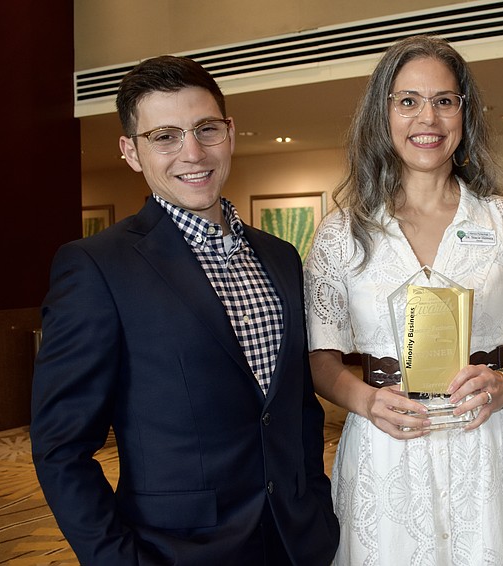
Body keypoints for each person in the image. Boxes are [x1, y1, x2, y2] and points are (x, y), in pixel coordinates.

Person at [30, 55, 339, 566]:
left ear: (230, 133)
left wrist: (316, 510)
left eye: (205, 129)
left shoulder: (280, 257)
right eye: (165, 137)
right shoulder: (97, 267)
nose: (192, 153)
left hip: (298, 541)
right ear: (131, 152)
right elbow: (61, 448)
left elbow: (298, 409)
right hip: (176, 550)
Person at [304, 35, 503, 565]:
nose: (428, 118)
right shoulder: (341, 233)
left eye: (444, 100)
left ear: (465, 113)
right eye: (408, 101)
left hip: (487, 440)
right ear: (383, 114)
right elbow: (320, 358)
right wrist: (365, 401)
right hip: (385, 447)